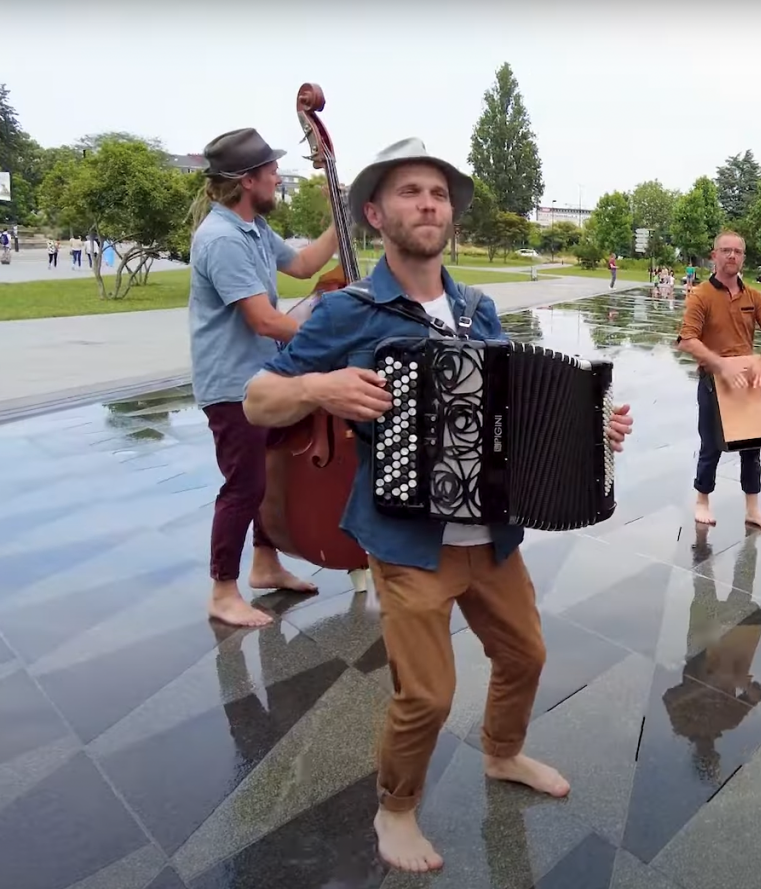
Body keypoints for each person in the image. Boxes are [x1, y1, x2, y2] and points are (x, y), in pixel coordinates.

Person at [243, 137, 634, 873]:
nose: (428, 203)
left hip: (488, 532)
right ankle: (395, 807)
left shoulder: (477, 307)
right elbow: (259, 398)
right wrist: (318, 389)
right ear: (374, 212)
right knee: (425, 695)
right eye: (410, 192)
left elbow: (511, 410)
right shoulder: (348, 312)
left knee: (526, 653)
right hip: (406, 536)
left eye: (439, 194)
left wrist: (591, 427)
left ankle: (502, 752)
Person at [187, 127, 341, 627]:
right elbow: (265, 320)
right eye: (271, 169)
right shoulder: (221, 238)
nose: (278, 175)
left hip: (260, 377)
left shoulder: (251, 228)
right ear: (248, 181)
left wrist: (347, 215)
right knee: (244, 485)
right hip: (232, 384)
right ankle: (222, 590)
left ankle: (266, 563)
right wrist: (330, 341)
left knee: (269, 477)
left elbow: (302, 265)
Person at [676, 231, 761, 530]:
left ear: (743, 258)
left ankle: (753, 509)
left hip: (748, 381)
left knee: (753, 447)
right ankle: (702, 500)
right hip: (714, 380)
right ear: (714, 255)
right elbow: (686, 340)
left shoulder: (753, 296)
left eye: (737, 251)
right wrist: (721, 365)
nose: (732, 256)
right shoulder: (701, 295)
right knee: (710, 444)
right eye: (726, 250)